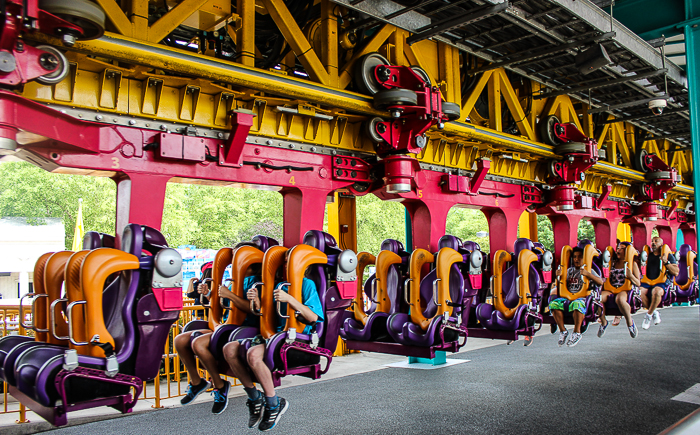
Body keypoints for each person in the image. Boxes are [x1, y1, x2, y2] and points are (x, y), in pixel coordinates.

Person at [221, 264, 324, 431]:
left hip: (297, 338)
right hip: (273, 335)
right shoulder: (276, 285)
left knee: (253, 355)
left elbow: (314, 317)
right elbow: (265, 312)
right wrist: (256, 301)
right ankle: (255, 397)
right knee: (229, 349)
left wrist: (290, 299)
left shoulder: (307, 284)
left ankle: (274, 403)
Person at [174, 264, 261, 414]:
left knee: (199, 344)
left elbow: (254, 309)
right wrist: (208, 295)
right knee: (180, 340)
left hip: (242, 329)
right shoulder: (233, 282)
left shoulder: (257, 283)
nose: (235, 265)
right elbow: (224, 305)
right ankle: (197, 382)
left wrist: (231, 295)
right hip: (225, 325)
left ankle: (220, 385)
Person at [549, 247, 603, 347]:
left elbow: (600, 282)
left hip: (582, 297)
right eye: (574, 257)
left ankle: (577, 332)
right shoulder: (569, 271)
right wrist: (558, 276)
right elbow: (559, 285)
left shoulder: (589, 270)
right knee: (554, 304)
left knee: (577, 304)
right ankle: (563, 331)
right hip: (568, 297)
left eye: (579, 257)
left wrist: (588, 275)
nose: (576, 259)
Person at [597, 241, 641, 338]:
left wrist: (630, 276)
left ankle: (630, 323)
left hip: (624, 289)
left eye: (622, 248)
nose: (619, 250)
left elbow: (638, 282)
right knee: (598, 299)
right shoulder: (611, 263)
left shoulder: (632, 264)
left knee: (619, 299)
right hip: (611, 288)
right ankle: (604, 322)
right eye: (618, 248)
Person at [640, 236, 679, 329]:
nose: (653, 243)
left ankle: (648, 315)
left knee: (656, 292)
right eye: (652, 241)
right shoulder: (647, 255)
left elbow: (676, 272)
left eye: (656, 241)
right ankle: (654, 312)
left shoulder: (668, 255)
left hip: (661, 281)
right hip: (648, 281)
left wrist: (666, 262)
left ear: (661, 244)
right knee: (640, 292)